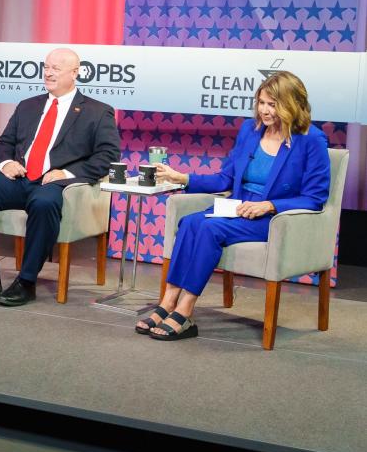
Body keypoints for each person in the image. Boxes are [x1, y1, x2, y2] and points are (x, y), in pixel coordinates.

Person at [139, 71, 330, 341]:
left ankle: (185, 310)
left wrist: (270, 205)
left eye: (272, 104)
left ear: (292, 104)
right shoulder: (250, 132)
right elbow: (225, 178)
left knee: (209, 230)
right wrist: (183, 178)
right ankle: (167, 302)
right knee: (192, 221)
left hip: (273, 218)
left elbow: (315, 197)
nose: (264, 110)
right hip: (238, 207)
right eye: (261, 102)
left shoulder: (311, 140)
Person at [0, 47, 120, 306]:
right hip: (20, 178)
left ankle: (26, 281)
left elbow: (107, 156)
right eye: (46, 67)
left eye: (56, 69)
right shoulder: (28, 106)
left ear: (75, 73)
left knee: (44, 202)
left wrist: (67, 173)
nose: (48, 73)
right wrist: (6, 163)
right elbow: (4, 143)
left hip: (56, 184)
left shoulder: (97, 111)